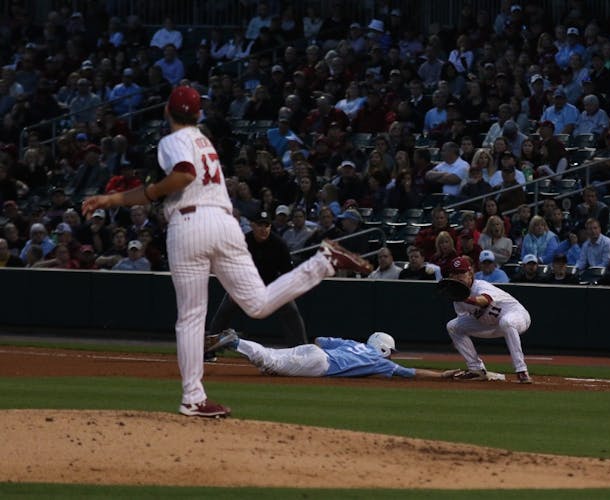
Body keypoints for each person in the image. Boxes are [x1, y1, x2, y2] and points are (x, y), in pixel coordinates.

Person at [82, 85, 372, 419]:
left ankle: (194, 396)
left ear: (167, 112)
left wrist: (150, 191)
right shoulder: (204, 141)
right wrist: (112, 199)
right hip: (225, 223)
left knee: (191, 316)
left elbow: (184, 174)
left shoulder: (174, 139)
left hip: (190, 224)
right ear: (198, 113)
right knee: (259, 303)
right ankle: (323, 262)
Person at [207, 210, 309, 352]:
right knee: (224, 310)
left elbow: (288, 272)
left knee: (291, 310)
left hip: (271, 285)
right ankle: (210, 349)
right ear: (252, 225)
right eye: (260, 225)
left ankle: (302, 351)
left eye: (267, 225)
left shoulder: (278, 244)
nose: (264, 229)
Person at [206, 330, 457, 379]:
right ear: (383, 349)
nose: (391, 356)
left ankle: (236, 342)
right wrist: (442, 375)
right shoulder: (380, 362)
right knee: (271, 361)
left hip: (314, 350)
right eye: (390, 352)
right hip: (320, 364)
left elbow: (319, 339)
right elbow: (411, 373)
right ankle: (236, 341)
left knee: (271, 361)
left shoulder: (353, 343)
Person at [443, 256, 532, 383]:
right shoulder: (458, 299)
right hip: (490, 324)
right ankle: (476, 370)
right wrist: (458, 339)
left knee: (506, 322)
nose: (459, 277)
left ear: (470, 273)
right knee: (453, 326)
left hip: (517, 316)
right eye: (455, 273)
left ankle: (521, 370)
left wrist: (464, 298)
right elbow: (462, 319)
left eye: (462, 272)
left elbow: (484, 300)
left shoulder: (480, 286)